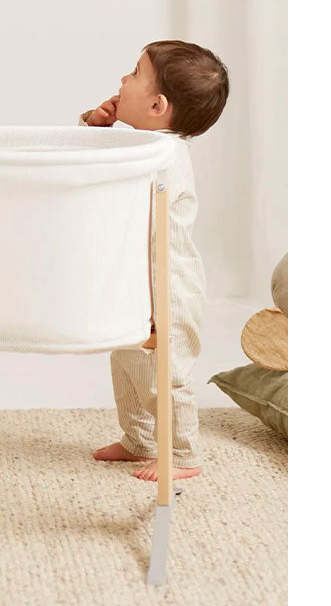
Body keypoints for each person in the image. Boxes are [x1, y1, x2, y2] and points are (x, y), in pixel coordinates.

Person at [80, 40, 230, 481]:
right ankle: (140, 439)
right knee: (127, 362)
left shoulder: (164, 155)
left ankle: (182, 453)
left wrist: (103, 138)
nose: (123, 80)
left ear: (156, 104)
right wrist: (98, 125)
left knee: (165, 373)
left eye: (134, 73)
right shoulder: (142, 144)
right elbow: (98, 164)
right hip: (134, 285)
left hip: (168, 289)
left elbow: (108, 179)